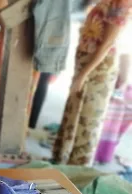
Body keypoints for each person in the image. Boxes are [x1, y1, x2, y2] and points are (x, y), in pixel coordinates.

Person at [53, 0, 132, 166]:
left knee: (87, 121)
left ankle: (78, 169)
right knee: (74, 114)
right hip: (87, 63)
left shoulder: (121, 3)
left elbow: (108, 44)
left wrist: (83, 75)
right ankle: (62, 161)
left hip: (98, 70)